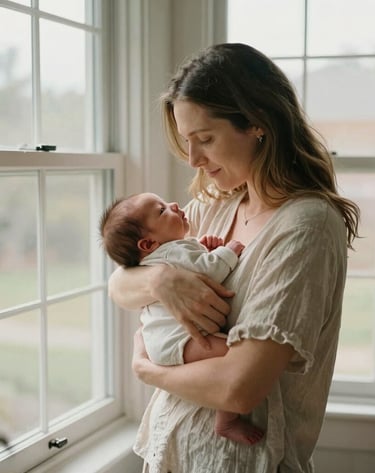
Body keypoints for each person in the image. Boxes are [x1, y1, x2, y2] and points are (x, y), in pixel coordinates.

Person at [108, 43, 360, 472]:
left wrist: (149, 371)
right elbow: (119, 283)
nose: (193, 159)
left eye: (205, 139)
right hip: (172, 455)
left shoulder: (306, 226)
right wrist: (160, 282)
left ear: (258, 124)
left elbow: (239, 389)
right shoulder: (215, 205)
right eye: (188, 142)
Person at [100, 191, 263, 445]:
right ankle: (226, 421)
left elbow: (194, 264)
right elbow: (211, 270)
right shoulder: (172, 252)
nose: (174, 204)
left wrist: (203, 247)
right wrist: (228, 251)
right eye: (162, 210)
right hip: (178, 340)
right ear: (147, 244)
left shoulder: (163, 255)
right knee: (232, 355)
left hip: (163, 342)